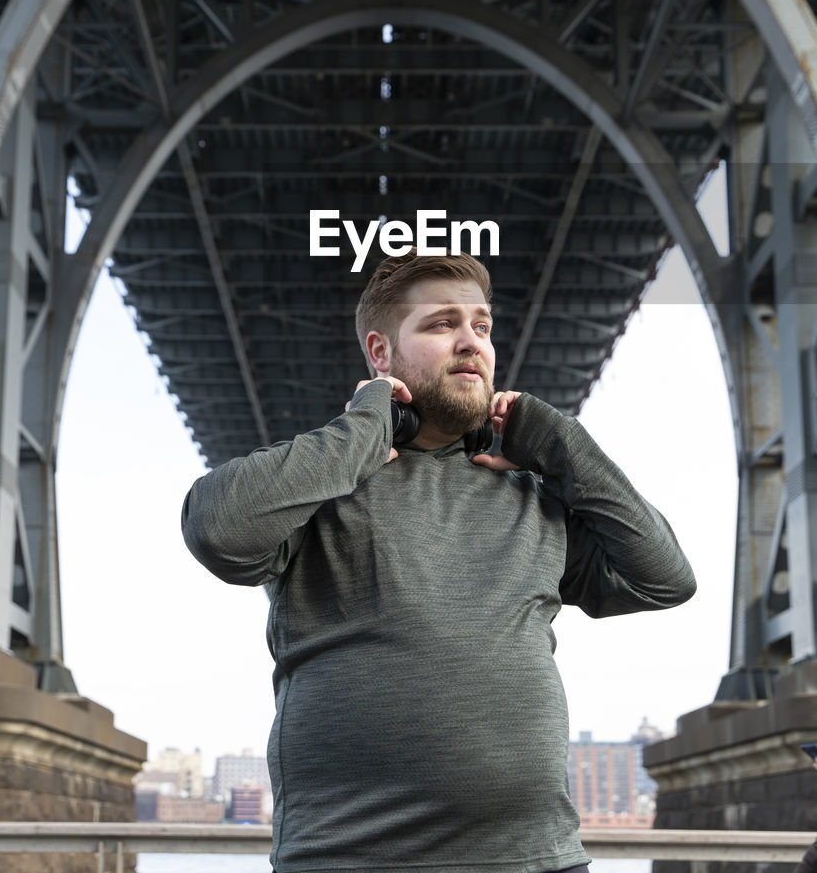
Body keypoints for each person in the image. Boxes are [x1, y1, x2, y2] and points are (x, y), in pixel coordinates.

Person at [182, 249, 696, 873]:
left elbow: (667, 577)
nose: (471, 342)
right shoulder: (315, 490)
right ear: (380, 353)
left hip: (538, 861)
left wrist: (565, 447)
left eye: (481, 326)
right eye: (440, 324)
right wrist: (366, 428)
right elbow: (216, 528)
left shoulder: (535, 498)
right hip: (347, 860)